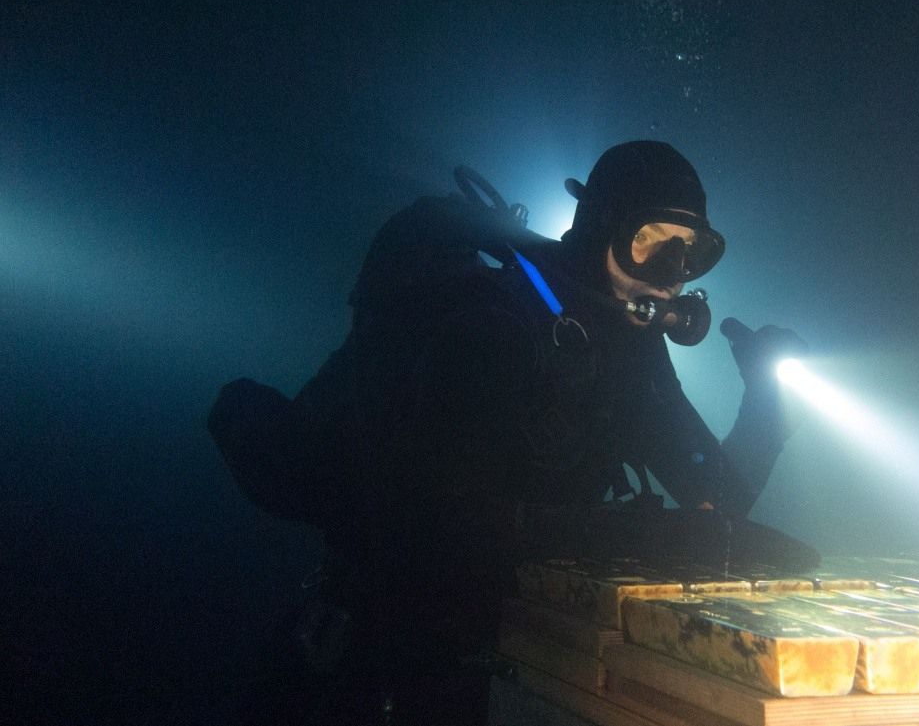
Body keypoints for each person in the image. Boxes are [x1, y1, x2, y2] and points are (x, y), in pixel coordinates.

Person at [208, 140, 816, 724]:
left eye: (692, 251)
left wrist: (764, 404)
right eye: (649, 241)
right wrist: (661, 536)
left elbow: (717, 500)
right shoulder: (491, 322)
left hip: (512, 657)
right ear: (600, 227)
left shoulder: (631, 349)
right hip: (387, 660)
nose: (672, 273)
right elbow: (450, 529)